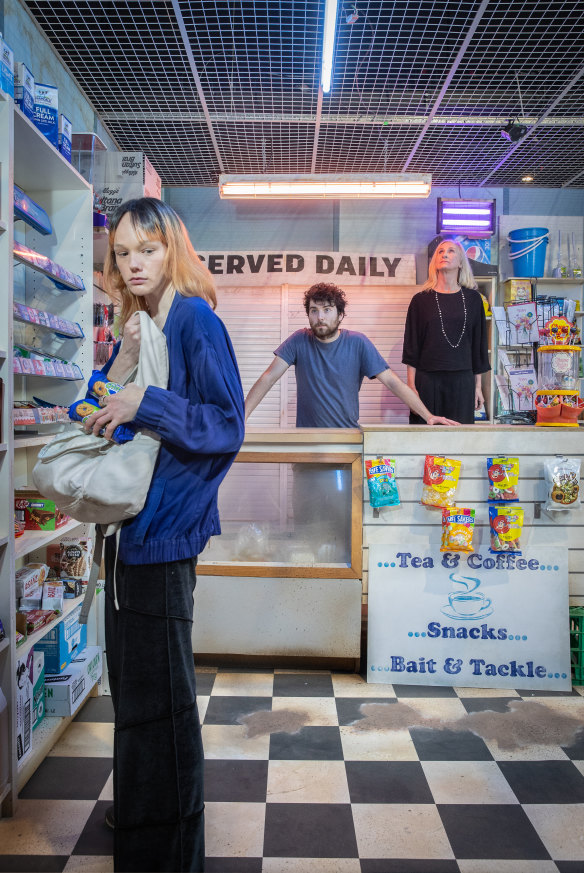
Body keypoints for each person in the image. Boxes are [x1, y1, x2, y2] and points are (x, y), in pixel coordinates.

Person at [82, 198, 245, 873]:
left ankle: (170, 849)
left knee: (165, 705)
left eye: (145, 248)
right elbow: (128, 410)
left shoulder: (195, 319)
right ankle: (141, 812)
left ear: (171, 248)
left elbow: (225, 423)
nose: (133, 262)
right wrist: (108, 387)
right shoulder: (145, 321)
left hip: (165, 537)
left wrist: (142, 402)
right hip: (131, 535)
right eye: (122, 253)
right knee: (136, 692)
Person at [244, 281, 458, 427]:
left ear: (340, 314)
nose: (320, 317)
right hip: (307, 440)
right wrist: (241, 417)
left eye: (327, 310)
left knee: (344, 495)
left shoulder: (358, 342)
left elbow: (393, 383)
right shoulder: (299, 340)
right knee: (306, 495)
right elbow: (268, 377)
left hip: (345, 440)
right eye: (314, 310)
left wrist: (428, 416)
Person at [402, 239, 490, 424]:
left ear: (460, 262)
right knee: (425, 438)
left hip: (462, 382)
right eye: (440, 252)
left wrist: (478, 387)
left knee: (459, 442)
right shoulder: (420, 300)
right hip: (427, 381)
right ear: (434, 262)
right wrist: (411, 387)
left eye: (451, 251)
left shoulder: (473, 299)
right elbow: (411, 348)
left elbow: (478, 347)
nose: (444, 254)